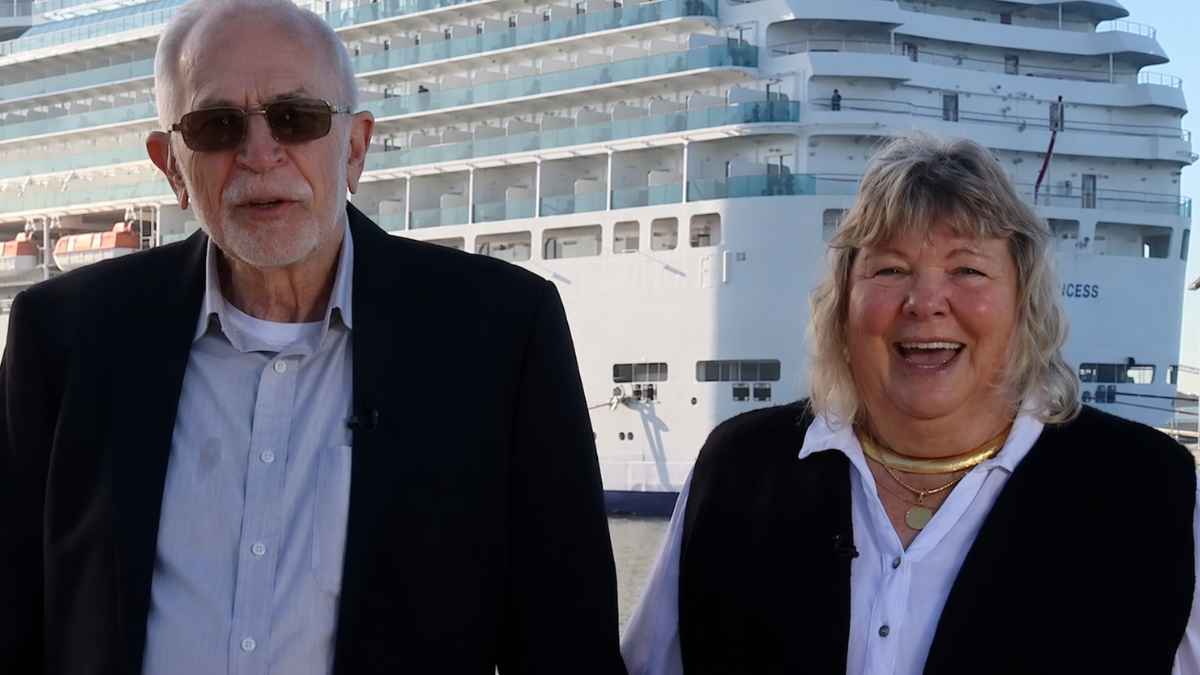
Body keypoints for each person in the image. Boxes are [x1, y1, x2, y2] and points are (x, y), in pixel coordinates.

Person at [0, 1, 626, 674]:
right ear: (172, 166)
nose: (260, 153)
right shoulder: (65, 337)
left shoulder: (500, 334)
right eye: (217, 126)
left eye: (296, 118)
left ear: (354, 146)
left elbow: (569, 647)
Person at [621, 133, 1200, 674]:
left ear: (1024, 303)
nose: (925, 303)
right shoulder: (740, 469)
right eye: (891, 269)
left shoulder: (1150, 491)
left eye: (968, 270)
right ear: (844, 301)